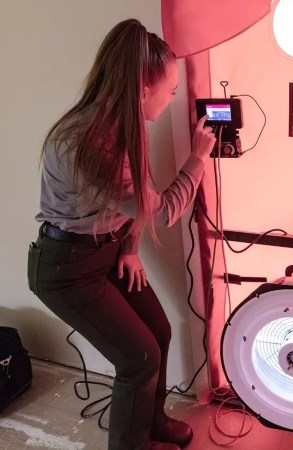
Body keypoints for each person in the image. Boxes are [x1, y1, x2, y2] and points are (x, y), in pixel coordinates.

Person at [26, 18, 216, 450]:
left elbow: (131, 203)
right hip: (65, 269)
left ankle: (153, 424)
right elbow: (162, 209)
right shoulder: (88, 143)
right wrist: (197, 159)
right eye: (169, 91)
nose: (172, 98)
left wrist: (129, 249)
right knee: (139, 359)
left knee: (160, 333)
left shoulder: (125, 123)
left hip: (106, 253)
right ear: (142, 88)